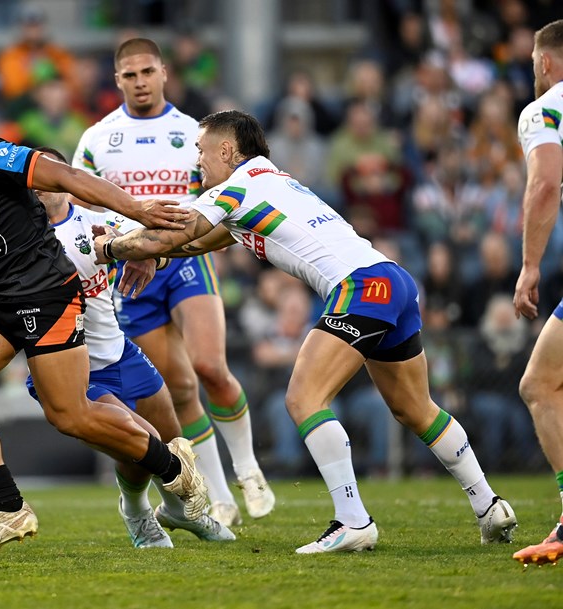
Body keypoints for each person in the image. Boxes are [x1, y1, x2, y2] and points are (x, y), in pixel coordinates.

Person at [93, 109, 518, 554]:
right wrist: (156, 255)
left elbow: (172, 235)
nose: (197, 161)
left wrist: (106, 248)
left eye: (201, 150)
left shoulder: (234, 189)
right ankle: (489, 506)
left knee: (302, 398)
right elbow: (202, 242)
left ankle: (353, 521)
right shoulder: (268, 181)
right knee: (416, 409)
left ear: (226, 149)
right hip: (394, 282)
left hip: (360, 287)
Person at [0, 96, 206, 553]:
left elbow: (66, 175)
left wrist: (138, 211)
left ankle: (173, 466)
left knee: (71, 417)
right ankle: (8, 510)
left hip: (46, 290)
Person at [73, 37, 274, 527]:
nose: (140, 82)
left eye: (147, 72)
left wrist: (160, 248)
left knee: (209, 366)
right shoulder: (98, 138)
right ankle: (220, 494)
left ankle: (248, 468)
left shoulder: (192, 132)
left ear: (164, 72)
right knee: (179, 388)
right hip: (128, 270)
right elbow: (84, 207)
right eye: (129, 75)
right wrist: (129, 245)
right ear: (117, 80)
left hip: (182, 260)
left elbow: (216, 200)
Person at [26, 145, 233, 547]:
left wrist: (154, 259)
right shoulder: (21, 240)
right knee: (142, 444)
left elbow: (162, 239)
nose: (40, 185)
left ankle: (177, 513)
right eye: (34, 178)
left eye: (51, 175)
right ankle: (138, 514)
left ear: (67, 181)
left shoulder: (98, 221)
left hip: (119, 353)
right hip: (67, 366)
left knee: (174, 442)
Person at [511, 19, 563, 567]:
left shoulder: (545, 107)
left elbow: (546, 182)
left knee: (541, 384)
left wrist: (529, 266)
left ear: (545, 62)